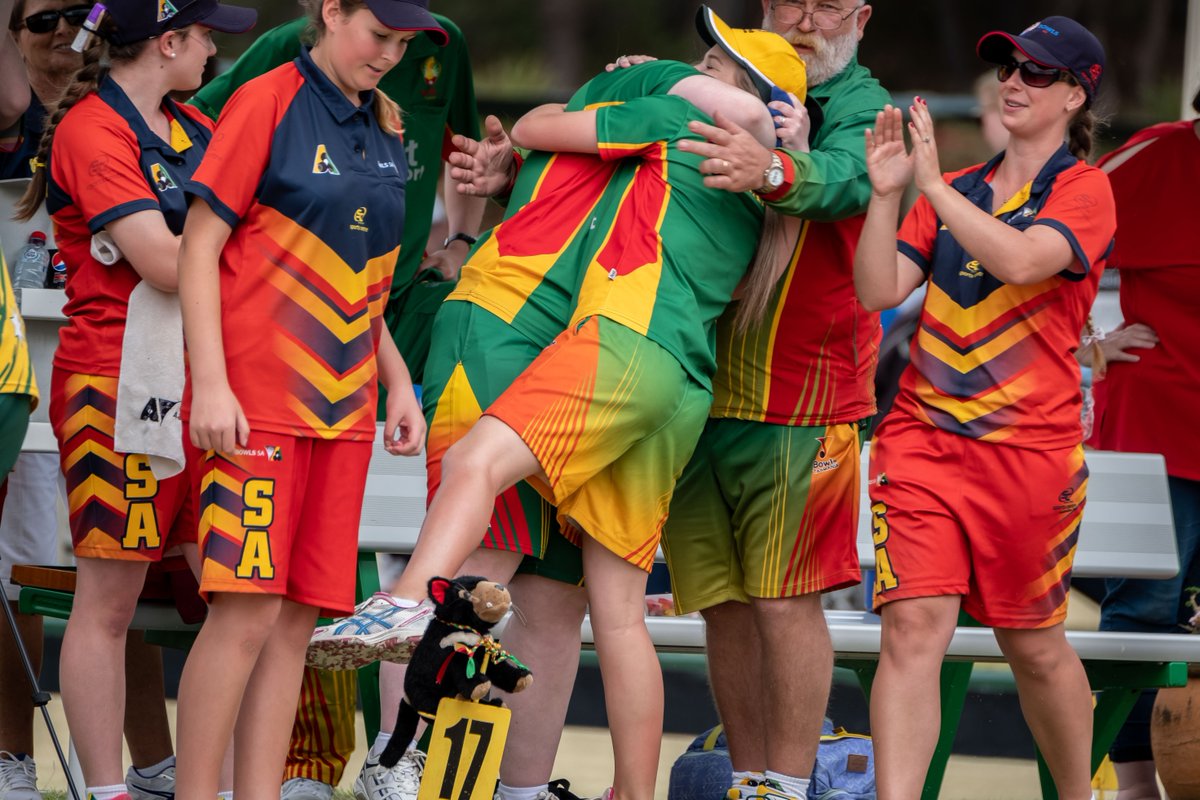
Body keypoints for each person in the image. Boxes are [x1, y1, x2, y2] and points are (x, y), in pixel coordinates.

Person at [311, 11, 806, 800]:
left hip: (611, 342)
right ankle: (617, 792)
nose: (694, 66)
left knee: (474, 517)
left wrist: (647, 83)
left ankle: (403, 613)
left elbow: (540, 122)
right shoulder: (764, 201)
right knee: (604, 614)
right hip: (677, 385)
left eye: (712, 62)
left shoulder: (675, 117)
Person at [183, 9, 483, 800]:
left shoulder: (387, 123)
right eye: (378, 35)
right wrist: (210, 382)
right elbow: (199, 245)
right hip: (256, 404)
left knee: (294, 627)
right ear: (331, 12)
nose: (389, 56)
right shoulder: (266, 99)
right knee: (245, 616)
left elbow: (364, 278)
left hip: (344, 415)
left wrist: (396, 381)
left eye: (403, 45)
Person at [854, 16, 1113, 800]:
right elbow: (878, 290)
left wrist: (933, 188)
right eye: (1007, 68)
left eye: (1035, 72)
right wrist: (887, 197)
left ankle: (1075, 794)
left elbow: (1024, 260)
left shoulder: (1085, 189)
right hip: (921, 444)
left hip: (1031, 456)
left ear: (1075, 95)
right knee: (911, 630)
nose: (1013, 82)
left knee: (1033, 647)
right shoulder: (955, 188)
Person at [643, 3, 889, 799]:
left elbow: (849, 178)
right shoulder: (719, 81)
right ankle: (750, 782)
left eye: (828, 4)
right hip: (694, 389)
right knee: (721, 606)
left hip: (804, 402)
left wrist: (775, 168)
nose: (806, 19)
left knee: (786, 604)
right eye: (790, 1)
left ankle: (786, 785)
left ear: (862, 17)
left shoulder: (862, 103)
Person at [11, 4, 255, 800]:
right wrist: (259, 256)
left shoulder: (194, 124)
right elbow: (163, 262)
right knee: (109, 603)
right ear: (168, 41)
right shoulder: (92, 128)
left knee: (236, 599)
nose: (214, 48)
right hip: (118, 388)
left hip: (208, 383)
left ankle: (212, 786)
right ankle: (109, 790)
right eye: (206, 33)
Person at [1088, 86, 1200, 800]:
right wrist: (1086, 345)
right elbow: (1036, 251)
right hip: (1157, 428)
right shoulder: (1152, 157)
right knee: (1145, 609)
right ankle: (1133, 786)